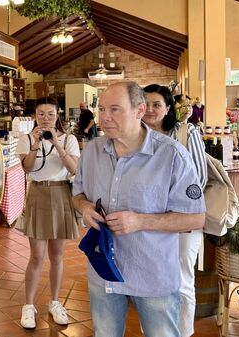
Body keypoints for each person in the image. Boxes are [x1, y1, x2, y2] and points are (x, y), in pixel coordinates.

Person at [72, 81, 205, 337]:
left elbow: (196, 219)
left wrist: (141, 221)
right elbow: (77, 193)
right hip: (104, 273)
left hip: (152, 274)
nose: (105, 117)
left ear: (139, 110)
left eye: (115, 109)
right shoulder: (92, 152)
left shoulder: (172, 155)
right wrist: (85, 206)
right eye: (101, 109)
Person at [143, 84, 207, 337]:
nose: (149, 110)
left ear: (168, 108)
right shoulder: (136, 137)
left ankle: (183, 332)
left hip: (182, 220)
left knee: (181, 280)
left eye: (156, 105)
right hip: (147, 221)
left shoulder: (184, 132)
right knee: (150, 279)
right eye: (145, 104)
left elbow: (198, 180)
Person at [16, 97, 80, 329]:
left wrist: (58, 144)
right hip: (38, 195)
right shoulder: (25, 139)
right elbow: (28, 168)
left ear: (57, 115)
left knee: (58, 256)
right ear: (34, 115)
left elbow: (74, 170)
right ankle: (29, 306)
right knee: (36, 256)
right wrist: (35, 144)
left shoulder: (69, 139)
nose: (45, 118)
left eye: (50, 114)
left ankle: (55, 302)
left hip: (61, 194)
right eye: (41, 114)